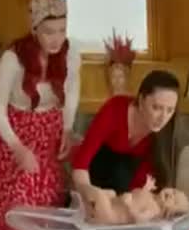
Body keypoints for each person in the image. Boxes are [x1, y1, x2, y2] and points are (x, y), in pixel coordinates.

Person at [0, 0, 81, 230]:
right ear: (34, 30)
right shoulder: (13, 59)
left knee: (46, 197)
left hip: (49, 129)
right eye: (49, 32)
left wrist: (67, 128)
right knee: (16, 196)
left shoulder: (70, 54)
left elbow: (72, 92)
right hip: (14, 131)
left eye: (62, 30)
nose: (57, 38)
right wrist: (18, 148)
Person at [70, 70, 180, 202]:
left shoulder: (165, 133)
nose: (163, 118)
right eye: (156, 107)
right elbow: (81, 165)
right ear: (141, 100)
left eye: (170, 110)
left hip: (125, 193)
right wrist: (90, 195)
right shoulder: (114, 110)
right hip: (92, 178)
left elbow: (144, 184)